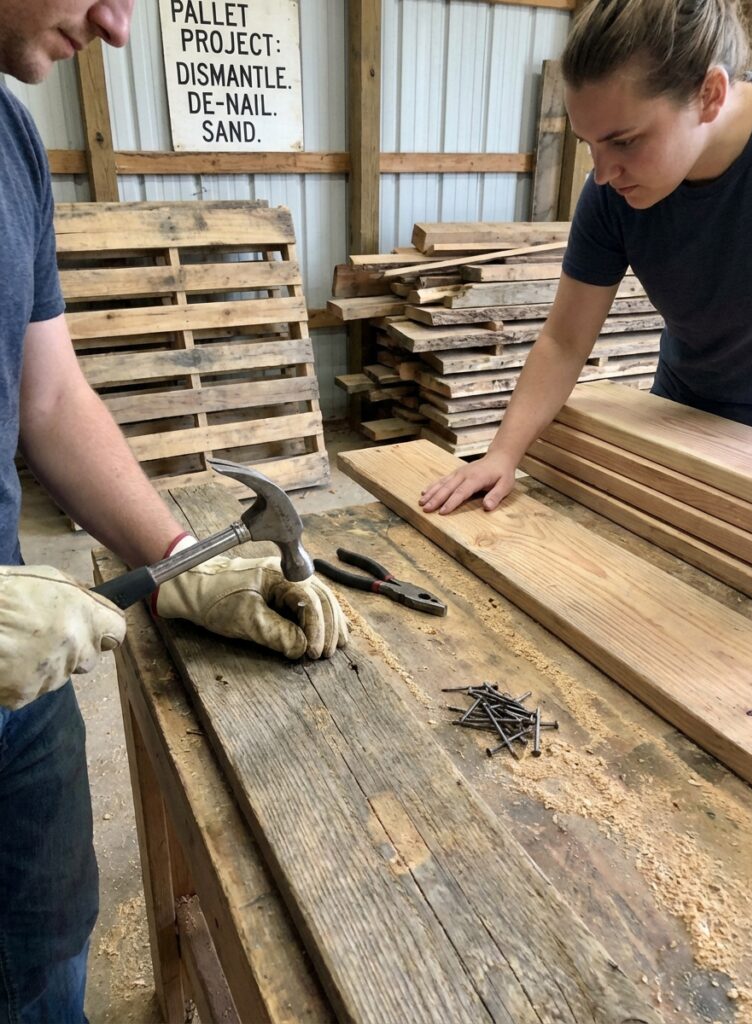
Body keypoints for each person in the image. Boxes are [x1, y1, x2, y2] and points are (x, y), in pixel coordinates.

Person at [0, 1, 347, 1019]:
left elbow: (49, 395)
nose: (114, 27)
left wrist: (182, 555)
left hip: (20, 670)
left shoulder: (12, 133)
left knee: (47, 952)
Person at [421, 0, 752, 518]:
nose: (604, 174)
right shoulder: (610, 195)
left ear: (709, 95)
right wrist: (502, 453)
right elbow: (564, 340)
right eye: (590, 145)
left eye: (623, 141)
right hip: (679, 409)